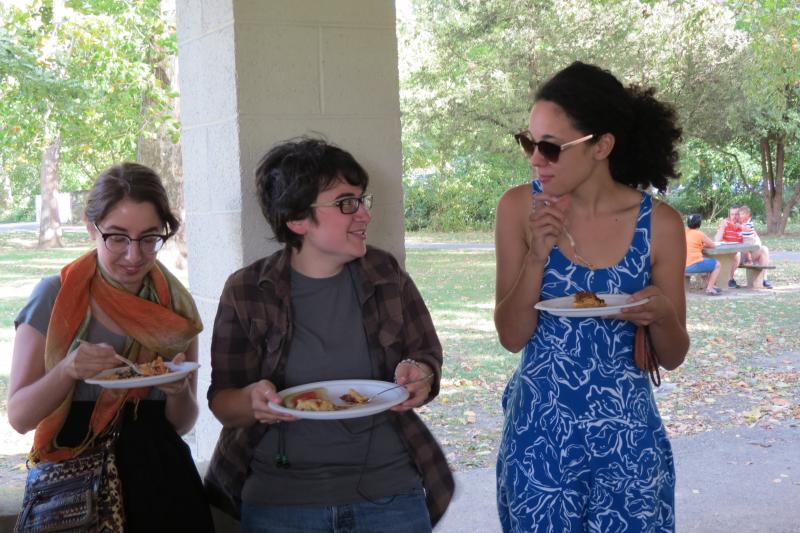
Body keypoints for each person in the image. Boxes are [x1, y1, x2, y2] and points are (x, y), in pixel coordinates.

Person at [203, 137, 453, 532]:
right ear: (297, 219)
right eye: (345, 203)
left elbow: (426, 356)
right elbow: (222, 402)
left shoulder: (384, 274)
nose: (364, 216)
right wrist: (253, 403)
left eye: (361, 200)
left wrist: (419, 372)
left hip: (388, 492)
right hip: (281, 501)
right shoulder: (248, 290)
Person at [494, 62, 689, 532]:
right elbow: (512, 336)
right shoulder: (519, 209)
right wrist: (538, 255)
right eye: (529, 142)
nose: (535, 160)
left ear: (601, 146)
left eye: (550, 148)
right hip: (541, 438)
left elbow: (674, 353)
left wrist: (660, 314)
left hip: (628, 442)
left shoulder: (659, 224)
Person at [8, 163, 214, 531]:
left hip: (164, 486)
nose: (134, 255)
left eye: (150, 237)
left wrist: (178, 390)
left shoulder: (176, 309)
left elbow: (180, 424)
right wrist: (68, 369)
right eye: (117, 237)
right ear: (91, 228)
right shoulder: (52, 296)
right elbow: (20, 417)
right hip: (76, 488)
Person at [684, 214, 723, 295]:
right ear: (699, 224)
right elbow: (712, 245)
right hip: (692, 265)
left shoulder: (684, 232)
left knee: (704, 262)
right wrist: (703, 244)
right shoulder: (699, 234)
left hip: (682, 265)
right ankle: (710, 288)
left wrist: (701, 245)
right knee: (717, 264)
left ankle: (710, 285)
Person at [738, 205, 773, 288]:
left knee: (764, 249)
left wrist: (756, 243)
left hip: (749, 251)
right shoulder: (733, 225)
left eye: (741, 214)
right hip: (738, 254)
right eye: (738, 214)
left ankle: (764, 279)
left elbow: (756, 238)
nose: (739, 216)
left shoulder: (747, 225)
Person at [714, 207, 744, 288]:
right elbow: (717, 240)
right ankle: (730, 279)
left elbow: (753, 237)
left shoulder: (743, 223)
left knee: (764, 249)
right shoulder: (725, 223)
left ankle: (764, 280)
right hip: (727, 252)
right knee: (736, 253)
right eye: (732, 214)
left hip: (743, 252)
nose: (734, 216)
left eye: (736, 214)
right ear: (729, 215)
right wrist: (722, 227)